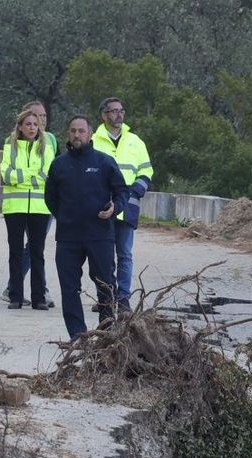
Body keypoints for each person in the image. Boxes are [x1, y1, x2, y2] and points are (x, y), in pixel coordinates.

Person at [44, 115, 127, 338]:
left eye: (81, 131)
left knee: (105, 285)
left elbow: (122, 191)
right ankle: (78, 336)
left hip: (100, 234)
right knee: (69, 288)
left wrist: (115, 209)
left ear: (90, 134)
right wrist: (64, 217)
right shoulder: (59, 164)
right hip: (68, 237)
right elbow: (50, 198)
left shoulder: (104, 162)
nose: (76, 135)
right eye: (73, 131)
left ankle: (106, 333)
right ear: (68, 133)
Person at [92, 97, 153, 306]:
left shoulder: (136, 141)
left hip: (128, 206)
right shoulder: (93, 141)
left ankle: (123, 298)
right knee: (103, 256)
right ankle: (106, 298)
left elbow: (146, 171)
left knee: (125, 255)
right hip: (101, 207)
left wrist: (133, 192)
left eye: (121, 110)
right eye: (114, 111)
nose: (119, 114)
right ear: (104, 115)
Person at [3, 100, 56, 308]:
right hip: (14, 207)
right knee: (15, 253)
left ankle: (39, 298)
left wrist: (21, 177)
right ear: (20, 127)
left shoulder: (46, 147)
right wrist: (32, 176)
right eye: (28, 124)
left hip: (39, 207)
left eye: (35, 124)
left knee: (37, 253)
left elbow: (47, 175)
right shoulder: (10, 146)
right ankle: (15, 297)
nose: (32, 127)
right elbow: (6, 175)